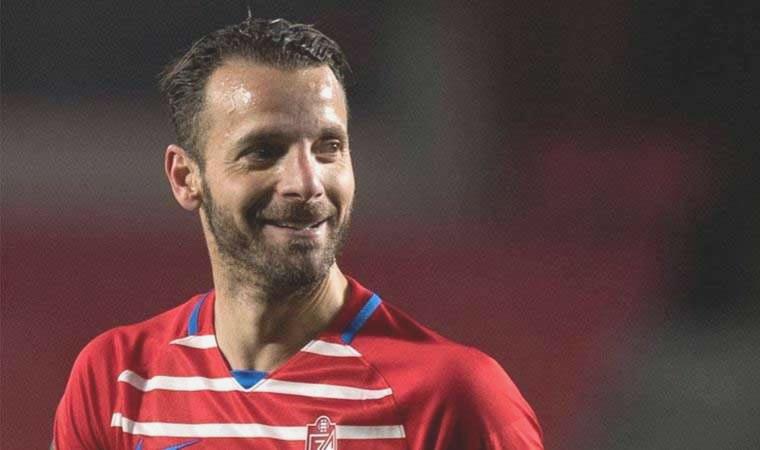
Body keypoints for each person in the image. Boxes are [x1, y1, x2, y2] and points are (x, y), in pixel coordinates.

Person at [52, 17, 543, 450]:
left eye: (329, 147)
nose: (307, 184)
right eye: (264, 151)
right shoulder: (117, 380)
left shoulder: (454, 397)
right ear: (186, 177)